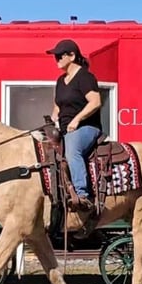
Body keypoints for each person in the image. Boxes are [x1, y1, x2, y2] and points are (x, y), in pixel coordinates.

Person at [46, 38, 103, 212]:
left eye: (59, 56)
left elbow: (95, 102)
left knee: (72, 150)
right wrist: (53, 118)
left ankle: (82, 195)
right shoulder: (60, 80)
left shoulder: (85, 77)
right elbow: (58, 104)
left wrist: (77, 120)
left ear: (72, 55)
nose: (56, 60)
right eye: (55, 57)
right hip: (63, 128)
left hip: (86, 128)